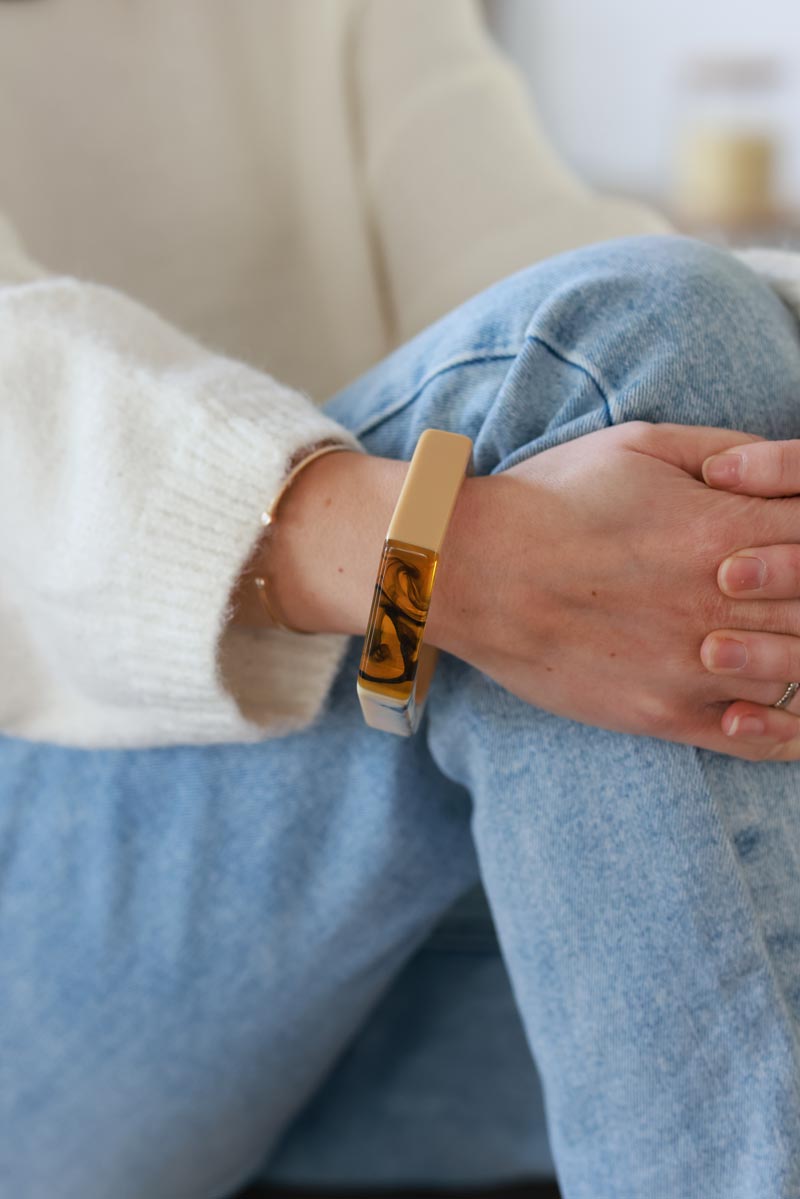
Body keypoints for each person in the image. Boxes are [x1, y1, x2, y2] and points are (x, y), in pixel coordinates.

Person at [1, 2, 800, 1196]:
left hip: (365, 977)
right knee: (626, 355)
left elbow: (575, 289)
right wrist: (434, 556)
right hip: (55, 966)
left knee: (669, 386)